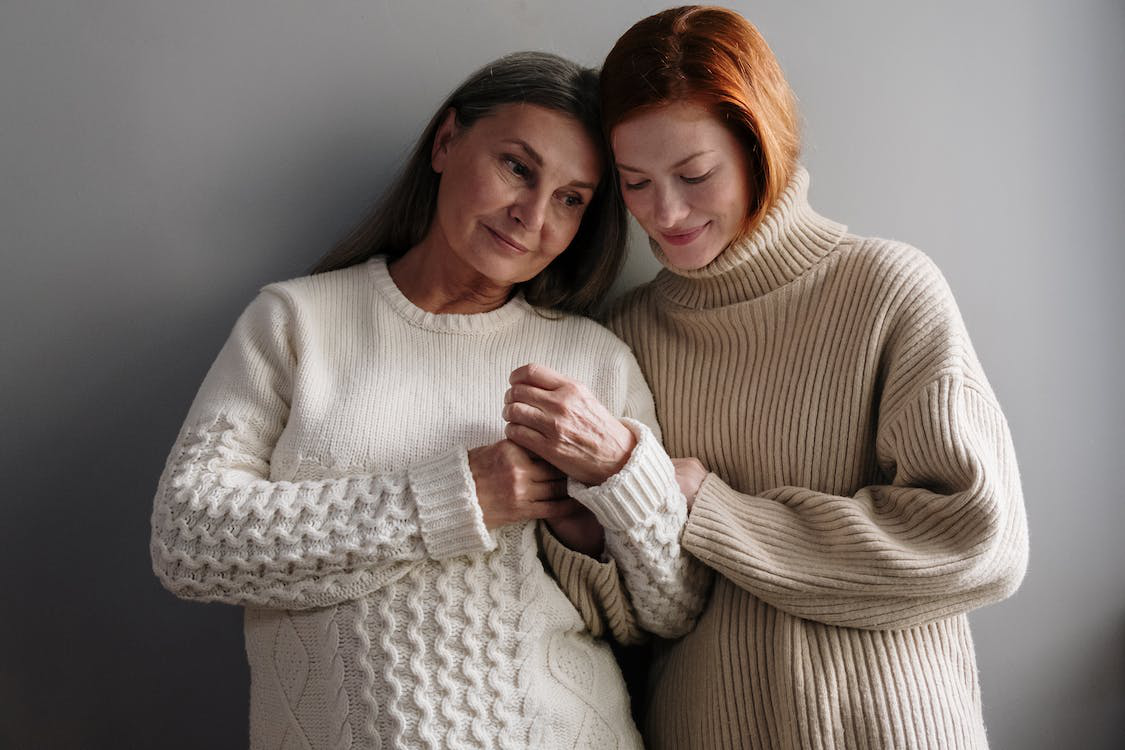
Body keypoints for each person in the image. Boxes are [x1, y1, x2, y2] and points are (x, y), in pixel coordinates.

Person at [506, 7, 1029, 749]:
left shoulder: (883, 288)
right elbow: (620, 621)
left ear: (760, 147)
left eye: (694, 174)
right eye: (635, 183)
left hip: (888, 730)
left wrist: (710, 510)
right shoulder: (622, 334)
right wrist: (585, 529)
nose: (667, 213)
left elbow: (977, 543)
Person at [149, 51, 702, 750]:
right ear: (446, 143)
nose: (531, 215)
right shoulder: (296, 322)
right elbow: (188, 542)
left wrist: (618, 476)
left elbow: (672, 607)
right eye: (516, 167)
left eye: (570, 198)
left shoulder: (593, 359)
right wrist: (457, 498)